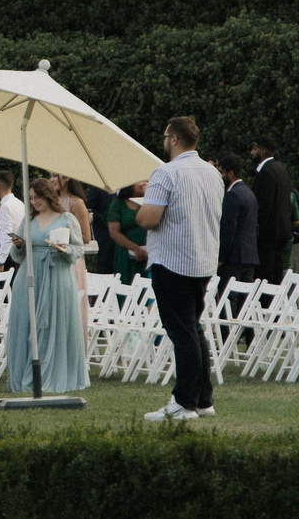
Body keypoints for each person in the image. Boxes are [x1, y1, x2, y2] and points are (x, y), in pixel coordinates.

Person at [135, 116, 225, 422]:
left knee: (182, 332)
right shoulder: (213, 173)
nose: (163, 141)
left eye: (165, 136)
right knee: (193, 329)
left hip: (172, 261)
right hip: (202, 261)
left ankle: (184, 402)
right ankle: (203, 398)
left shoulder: (166, 172)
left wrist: (140, 211)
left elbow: (148, 220)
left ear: (174, 139)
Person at [9, 177, 89, 394]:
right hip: (30, 275)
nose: (35, 202)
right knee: (28, 323)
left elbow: (79, 249)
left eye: (38, 198)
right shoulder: (27, 221)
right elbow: (17, 256)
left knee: (56, 322)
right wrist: (18, 246)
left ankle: (55, 373)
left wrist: (64, 250)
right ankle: (29, 373)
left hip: (58, 275)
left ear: (48, 196)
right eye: (31, 198)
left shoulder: (67, 218)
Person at [248, 138, 294, 281]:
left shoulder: (266, 172)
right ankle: (276, 303)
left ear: (263, 151)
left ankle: (267, 304)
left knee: (265, 276)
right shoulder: (280, 168)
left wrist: (257, 232)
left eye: (254, 149)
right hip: (281, 232)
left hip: (268, 235)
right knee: (276, 274)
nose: (251, 153)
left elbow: (265, 206)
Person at [215, 155, 259, 283]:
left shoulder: (232, 195)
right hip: (250, 256)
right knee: (245, 300)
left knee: (229, 299)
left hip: (233, 258)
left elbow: (228, 228)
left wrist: (221, 257)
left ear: (231, 173)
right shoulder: (249, 193)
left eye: (221, 172)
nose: (219, 177)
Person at [105, 181, 148, 280]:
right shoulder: (117, 204)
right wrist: (136, 248)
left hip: (150, 252)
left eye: (146, 181)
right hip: (127, 252)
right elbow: (114, 232)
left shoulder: (151, 203)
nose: (144, 184)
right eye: (140, 181)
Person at [0, 172, 27, 271]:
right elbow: (17, 225)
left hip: (8, 254)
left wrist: (0, 261)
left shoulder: (6, 206)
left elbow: (6, 235)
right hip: (18, 250)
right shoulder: (19, 203)